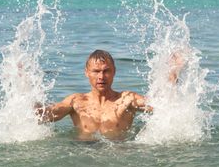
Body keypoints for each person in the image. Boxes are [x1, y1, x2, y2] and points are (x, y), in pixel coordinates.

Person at [34, 49, 184, 140]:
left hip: (119, 152)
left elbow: (162, 105)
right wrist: (25, 91)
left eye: (106, 71)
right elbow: (45, 115)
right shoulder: (76, 101)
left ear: (114, 72)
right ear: (87, 73)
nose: (101, 77)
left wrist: (173, 73)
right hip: (84, 153)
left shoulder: (126, 100)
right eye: (96, 71)